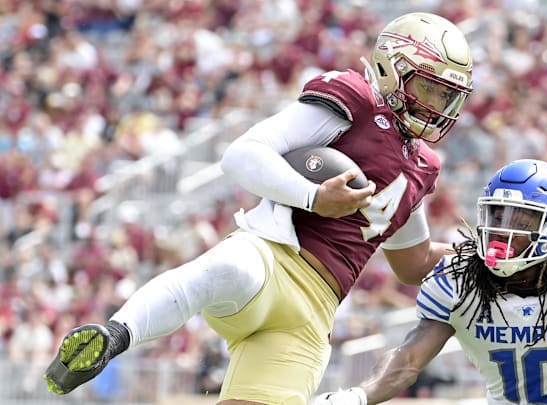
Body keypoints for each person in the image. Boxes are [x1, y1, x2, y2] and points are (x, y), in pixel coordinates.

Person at [42, 12, 473, 405]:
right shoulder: (357, 100)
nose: (436, 106)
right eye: (428, 87)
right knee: (228, 269)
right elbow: (242, 154)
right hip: (272, 255)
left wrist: (478, 255)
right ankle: (114, 335)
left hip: (309, 317)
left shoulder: (422, 166)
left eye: (445, 95)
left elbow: (412, 264)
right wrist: (313, 197)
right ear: (390, 69)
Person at [317, 159, 547, 405]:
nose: (502, 231)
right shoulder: (458, 280)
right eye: (497, 215)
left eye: (520, 221)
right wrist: (359, 396)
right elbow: (408, 360)